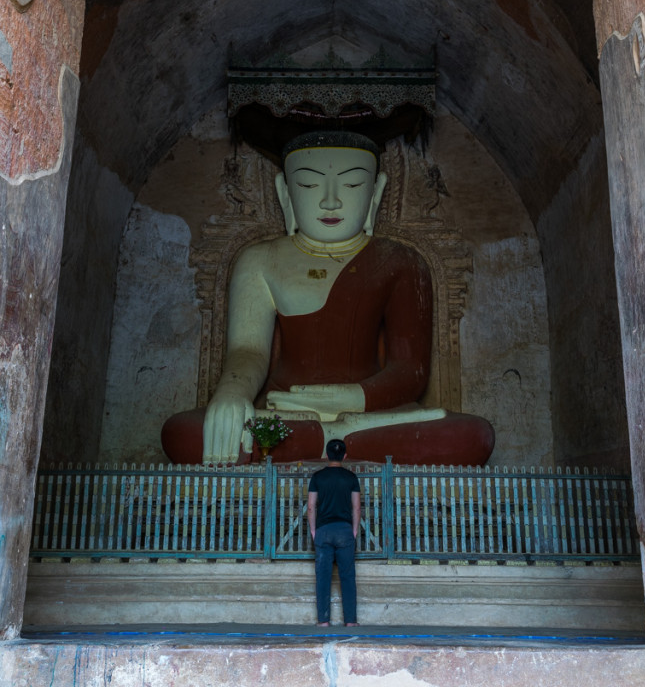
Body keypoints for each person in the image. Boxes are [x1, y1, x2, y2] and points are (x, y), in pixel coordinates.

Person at [161, 129, 495, 466]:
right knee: (185, 433)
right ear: (285, 193)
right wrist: (232, 395)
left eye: (352, 185)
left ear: (375, 193)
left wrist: (350, 399)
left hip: (371, 412)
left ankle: (323, 439)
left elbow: (410, 370)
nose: (331, 200)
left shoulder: (401, 261)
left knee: (472, 435)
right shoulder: (259, 261)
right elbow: (249, 350)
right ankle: (338, 441)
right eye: (308, 184)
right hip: (285, 410)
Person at [307, 438, 361, 627]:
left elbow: (311, 506)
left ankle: (323, 621)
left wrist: (314, 530)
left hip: (324, 530)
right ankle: (351, 621)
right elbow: (356, 507)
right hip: (344, 530)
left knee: (323, 577)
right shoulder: (351, 478)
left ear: (326, 455)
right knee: (347, 576)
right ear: (345, 456)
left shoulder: (318, 477)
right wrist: (353, 530)